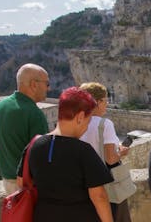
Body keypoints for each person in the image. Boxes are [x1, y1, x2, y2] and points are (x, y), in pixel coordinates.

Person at [18, 87, 113, 221]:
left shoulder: (34, 145)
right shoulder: (83, 151)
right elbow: (99, 196)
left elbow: (21, 181)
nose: (87, 126)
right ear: (80, 117)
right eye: (88, 119)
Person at [0, 63, 50, 194]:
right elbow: (42, 160)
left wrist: (10, 169)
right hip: (28, 187)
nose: (48, 89)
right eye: (47, 83)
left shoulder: (1, 106)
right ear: (34, 84)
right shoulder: (34, 114)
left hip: (7, 182)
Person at [79, 82, 131, 222]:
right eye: (105, 100)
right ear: (96, 102)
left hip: (83, 184)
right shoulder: (104, 124)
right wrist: (122, 152)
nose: (106, 104)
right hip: (106, 184)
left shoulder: (77, 123)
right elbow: (110, 159)